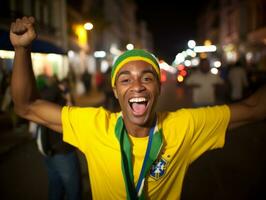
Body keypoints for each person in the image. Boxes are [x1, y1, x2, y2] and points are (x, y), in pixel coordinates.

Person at [10, 17, 266, 200]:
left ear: (159, 87)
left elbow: (254, 108)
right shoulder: (95, 125)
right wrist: (22, 49)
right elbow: (27, 107)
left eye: (147, 78)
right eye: (125, 79)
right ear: (115, 91)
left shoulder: (184, 125)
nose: (137, 86)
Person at [29, 74, 82, 200]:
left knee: (55, 186)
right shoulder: (58, 100)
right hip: (63, 152)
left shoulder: (39, 101)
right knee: (74, 190)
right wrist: (66, 95)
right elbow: (72, 118)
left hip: (47, 151)